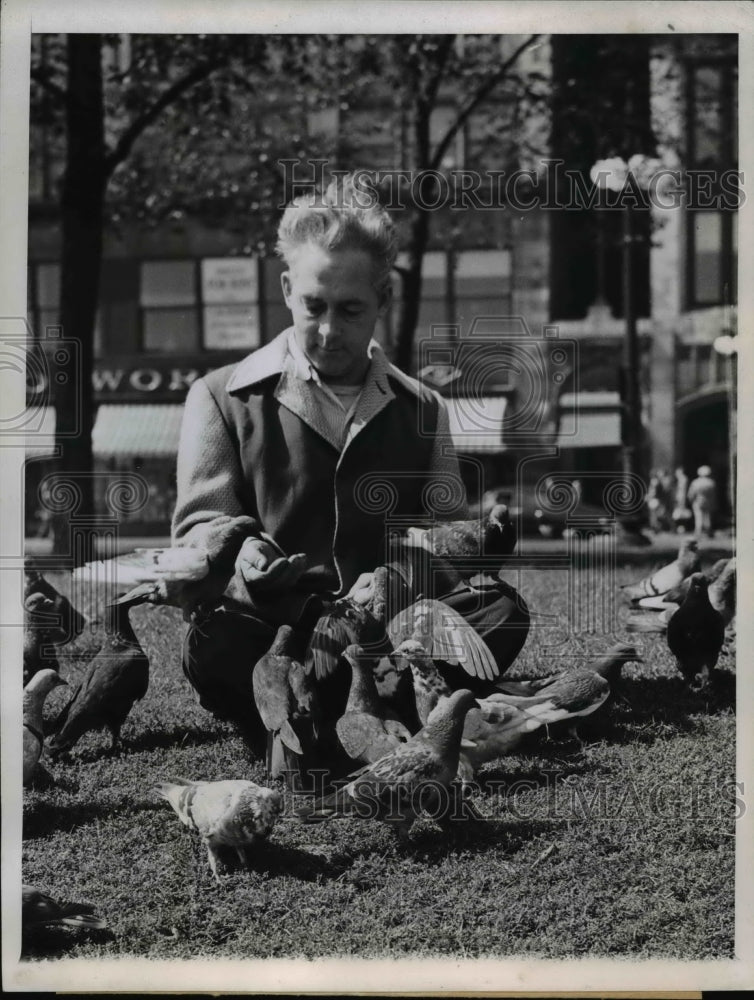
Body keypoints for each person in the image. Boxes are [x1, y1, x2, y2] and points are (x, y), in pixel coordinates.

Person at [170, 173, 529, 746]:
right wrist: (244, 562)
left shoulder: (424, 408)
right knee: (215, 638)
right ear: (287, 289)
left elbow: (448, 544)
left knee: (500, 609)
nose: (330, 330)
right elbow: (196, 534)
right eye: (313, 306)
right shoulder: (219, 396)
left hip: (387, 631)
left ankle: (321, 704)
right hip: (270, 627)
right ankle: (373, 701)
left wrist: (395, 578)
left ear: (384, 299)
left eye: (351, 309)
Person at [687, 465, 717, 539]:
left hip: (698, 501)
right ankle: (708, 532)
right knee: (707, 517)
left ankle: (698, 532)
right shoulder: (711, 482)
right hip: (708, 501)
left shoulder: (696, 482)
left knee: (698, 517)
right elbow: (713, 494)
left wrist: (691, 500)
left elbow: (691, 493)